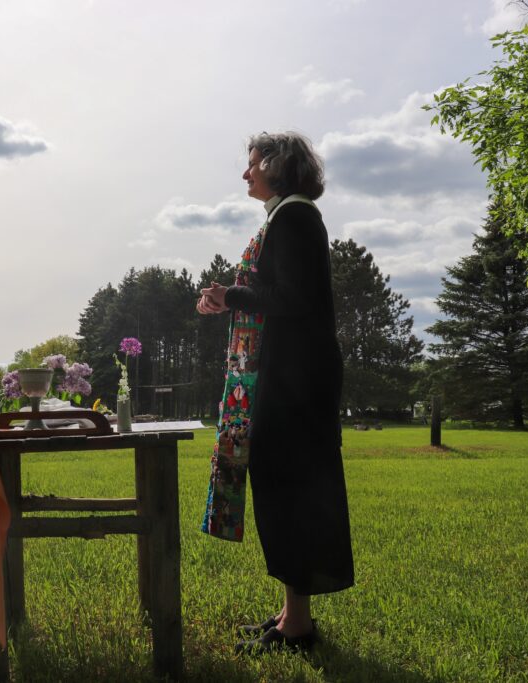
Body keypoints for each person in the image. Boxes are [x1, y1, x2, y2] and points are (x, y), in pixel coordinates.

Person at [198, 132, 354, 654]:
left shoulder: (295, 219)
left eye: (251, 165)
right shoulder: (288, 217)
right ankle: (292, 614)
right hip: (289, 383)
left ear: (276, 166)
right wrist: (231, 298)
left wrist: (231, 295)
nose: (245, 174)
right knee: (283, 496)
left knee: (290, 497)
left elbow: (289, 299)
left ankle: (297, 628)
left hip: (293, 388)